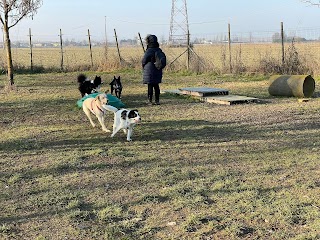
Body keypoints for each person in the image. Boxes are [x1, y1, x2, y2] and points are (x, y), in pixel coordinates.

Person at [142, 34, 165, 105]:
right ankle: (157, 101)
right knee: (156, 85)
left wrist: (143, 66)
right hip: (157, 70)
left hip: (149, 70)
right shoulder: (159, 50)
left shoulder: (149, 50)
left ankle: (150, 101)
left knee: (150, 86)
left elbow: (144, 60)